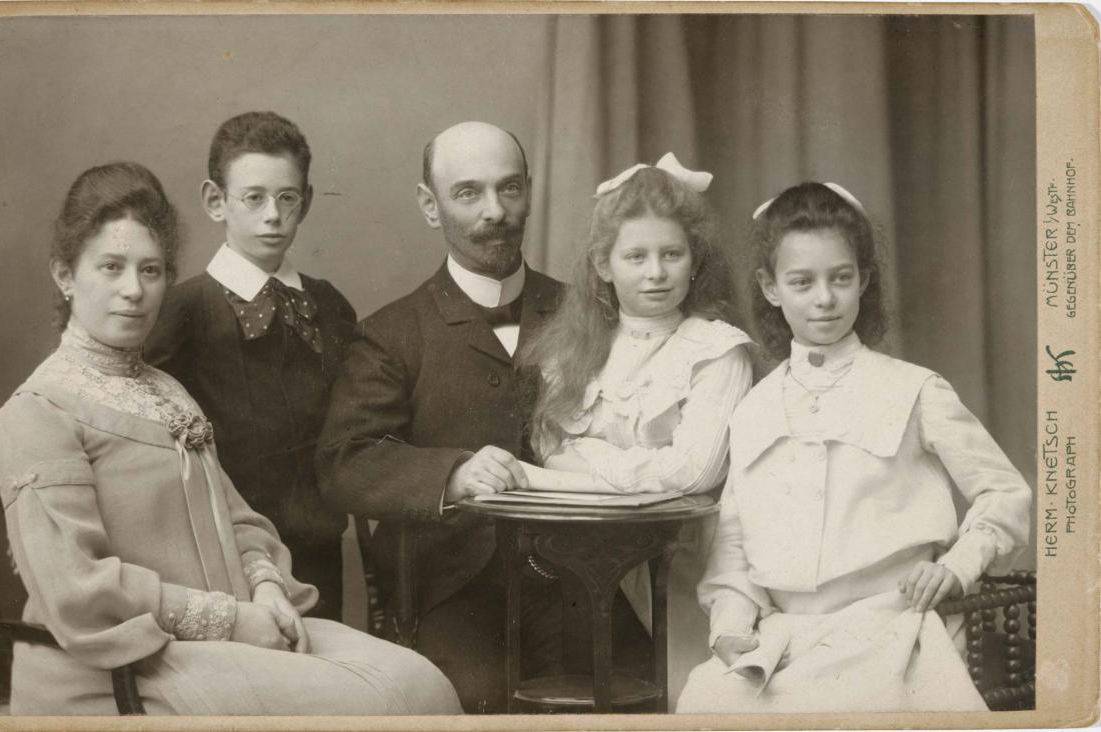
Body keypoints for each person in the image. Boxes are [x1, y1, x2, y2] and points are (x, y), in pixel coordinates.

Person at [0, 162, 460, 715]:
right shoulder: (37, 412)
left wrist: (264, 587)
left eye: (151, 270)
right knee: (376, 708)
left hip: (230, 637)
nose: (133, 291)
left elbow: (239, 520)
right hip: (121, 667)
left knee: (422, 682)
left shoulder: (167, 391)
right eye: (110, 267)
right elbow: (78, 589)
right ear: (65, 275)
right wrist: (233, 620)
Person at [676, 181, 1032, 713]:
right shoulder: (753, 410)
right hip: (782, 642)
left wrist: (955, 567)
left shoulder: (914, 389)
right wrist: (729, 629)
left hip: (894, 630)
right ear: (770, 288)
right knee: (705, 702)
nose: (824, 298)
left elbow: (1005, 495)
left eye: (840, 278)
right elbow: (733, 555)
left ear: (863, 280)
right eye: (802, 282)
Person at [317, 121, 606, 713]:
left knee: (636, 695)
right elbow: (345, 461)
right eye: (468, 193)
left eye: (510, 189)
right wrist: (452, 475)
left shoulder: (588, 313)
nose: (495, 211)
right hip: (456, 594)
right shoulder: (391, 334)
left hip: (582, 584)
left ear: (530, 190)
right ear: (430, 205)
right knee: (473, 705)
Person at [519, 154, 754, 707]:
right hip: (592, 562)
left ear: (693, 261)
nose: (655, 272)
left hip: (689, 563)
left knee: (688, 697)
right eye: (636, 256)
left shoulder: (717, 351)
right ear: (603, 264)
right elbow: (550, 447)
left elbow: (691, 473)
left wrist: (589, 459)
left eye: (672, 254)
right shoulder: (575, 350)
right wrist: (604, 468)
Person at [146, 112, 357, 621]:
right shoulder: (183, 310)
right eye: (254, 198)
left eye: (287, 198)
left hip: (319, 549)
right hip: (224, 552)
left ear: (305, 202)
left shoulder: (327, 305)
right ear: (216, 201)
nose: (273, 216)